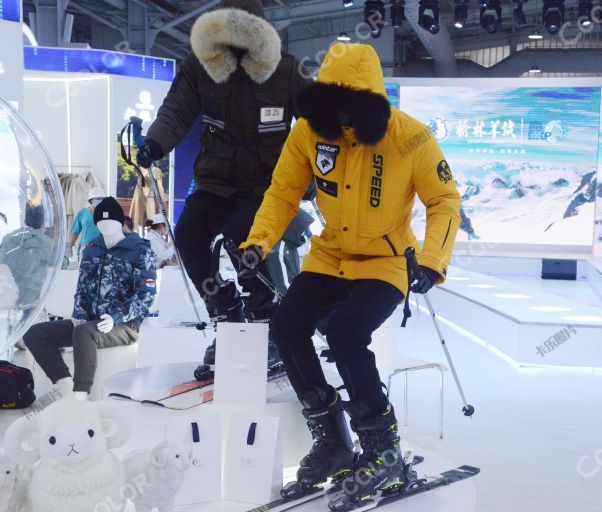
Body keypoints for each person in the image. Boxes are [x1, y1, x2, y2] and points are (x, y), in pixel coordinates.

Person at [239, 44, 460, 508]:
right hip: (329, 255)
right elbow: (283, 193)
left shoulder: (410, 137)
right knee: (286, 326)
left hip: (386, 262)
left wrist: (434, 260)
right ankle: (334, 439)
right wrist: (258, 243)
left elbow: (443, 200)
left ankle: (382, 447)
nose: (340, 118)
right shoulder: (308, 133)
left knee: (345, 332)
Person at [136, 0, 311, 376]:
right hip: (216, 179)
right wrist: (155, 143)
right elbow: (176, 110)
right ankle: (228, 316)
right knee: (189, 235)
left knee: (242, 236)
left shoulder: (286, 71)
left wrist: (314, 178)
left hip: (267, 184)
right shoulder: (200, 68)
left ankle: (269, 323)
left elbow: (317, 126)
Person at [24, 197, 157, 399]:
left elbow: (146, 296)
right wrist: (79, 315)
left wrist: (115, 317)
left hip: (125, 324)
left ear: (121, 223)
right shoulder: (91, 248)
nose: (106, 226)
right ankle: (67, 389)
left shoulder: (140, 250)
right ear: (95, 223)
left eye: (111, 221)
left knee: (85, 332)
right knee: (34, 333)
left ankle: (80, 396)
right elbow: (83, 288)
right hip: (90, 321)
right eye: (101, 222)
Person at [68, 186, 106, 260]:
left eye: (102, 199)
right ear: (91, 200)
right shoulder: (83, 213)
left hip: (102, 249)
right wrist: (70, 247)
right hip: (85, 248)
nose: (101, 201)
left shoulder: (107, 213)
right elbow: (75, 232)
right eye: (98, 199)